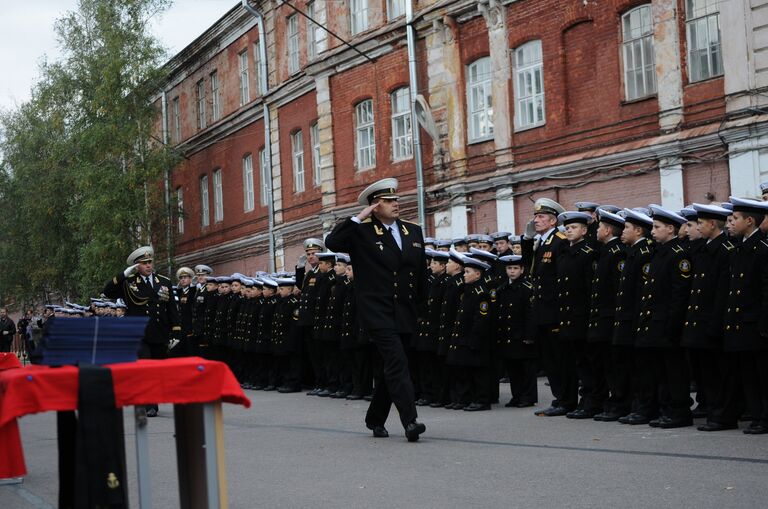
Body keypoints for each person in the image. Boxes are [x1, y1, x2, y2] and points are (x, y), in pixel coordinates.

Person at [324, 177, 428, 442]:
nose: (396, 204)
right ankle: (410, 421)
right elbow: (333, 243)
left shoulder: (412, 231)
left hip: (405, 310)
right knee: (397, 362)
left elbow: (420, 274)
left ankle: (375, 418)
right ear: (375, 205)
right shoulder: (361, 232)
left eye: (396, 199)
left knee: (392, 368)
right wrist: (359, 218)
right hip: (376, 312)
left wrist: (422, 309)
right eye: (389, 201)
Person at [102, 245, 181, 417]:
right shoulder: (129, 283)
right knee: (146, 368)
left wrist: (176, 332)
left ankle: (150, 398)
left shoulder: (164, 281)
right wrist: (123, 274)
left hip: (159, 333)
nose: (148, 266)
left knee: (157, 369)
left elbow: (172, 309)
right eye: (144, 263)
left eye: (150, 262)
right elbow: (107, 292)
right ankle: (149, 404)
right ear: (137, 266)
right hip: (139, 334)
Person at [634, 206, 693, 429]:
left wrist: (672, 326)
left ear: (671, 229)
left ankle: (679, 411)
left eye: (657, 227)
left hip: (669, 325)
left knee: (675, 371)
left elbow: (679, 296)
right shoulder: (660, 252)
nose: (652, 232)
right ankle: (666, 409)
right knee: (662, 371)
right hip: (655, 323)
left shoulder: (678, 255)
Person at [721, 197, 768, 434]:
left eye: (736, 218)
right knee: (748, 374)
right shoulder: (740, 248)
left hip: (755, 325)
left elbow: (765, 290)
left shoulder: (762, 249)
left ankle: (765, 417)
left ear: (749, 221)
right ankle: (757, 415)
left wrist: (764, 324)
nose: (731, 222)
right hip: (740, 324)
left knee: (761, 374)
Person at [520, 197, 567, 416]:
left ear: (553, 221)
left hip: (554, 311)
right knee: (549, 359)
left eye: (541, 217)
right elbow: (529, 268)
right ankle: (559, 398)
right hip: (542, 310)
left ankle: (566, 399)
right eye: (535, 216)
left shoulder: (559, 241)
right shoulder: (542, 242)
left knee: (559, 358)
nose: (536, 220)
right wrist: (527, 240)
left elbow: (560, 277)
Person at [495, 255, 537, 408]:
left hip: (522, 334)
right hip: (508, 335)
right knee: (513, 368)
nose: (512, 272)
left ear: (522, 270)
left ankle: (528, 397)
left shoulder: (527, 288)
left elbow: (531, 314)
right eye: (509, 268)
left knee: (526, 368)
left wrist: (530, 335)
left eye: (515, 268)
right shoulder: (503, 288)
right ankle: (517, 395)